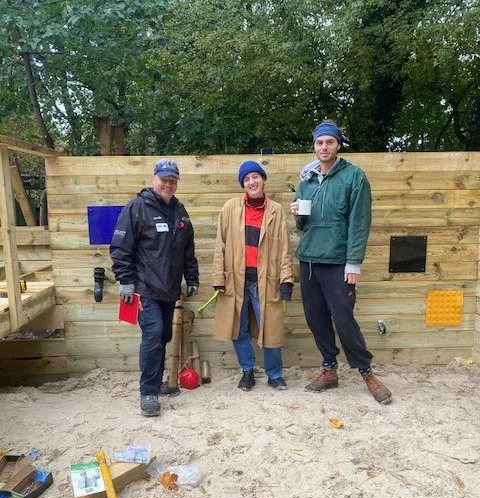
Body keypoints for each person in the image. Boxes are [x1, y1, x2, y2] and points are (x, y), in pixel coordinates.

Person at [290, 120, 391, 404]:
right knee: (316, 319)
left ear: (338, 145)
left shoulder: (354, 177)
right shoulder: (307, 180)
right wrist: (297, 214)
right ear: (314, 145)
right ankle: (329, 369)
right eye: (319, 142)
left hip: (337, 262)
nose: (324, 147)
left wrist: (353, 263)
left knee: (344, 319)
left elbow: (359, 223)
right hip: (309, 259)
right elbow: (302, 227)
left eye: (329, 142)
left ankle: (366, 372)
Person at [110, 159, 199, 416]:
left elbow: (187, 251)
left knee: (163, 337)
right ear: (154, 179)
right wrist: (125, 280)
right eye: (164, 179)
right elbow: (120, 248)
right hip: (144, 288)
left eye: (172, 180)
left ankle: (156, 383)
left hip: (169, 289)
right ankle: (148, 392)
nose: (167, 184)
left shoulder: (181, 212)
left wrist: (191, 278)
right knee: (153, 334)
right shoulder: (136, 208)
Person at [212, 161, 294, 391]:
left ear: (263, 179)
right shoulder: (229, 208)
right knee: (238, 328)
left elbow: (284, 248)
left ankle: (274, 374)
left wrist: (286, 279)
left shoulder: (276, 210)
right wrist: (219, 278)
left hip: (266, 282)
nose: (252, 182)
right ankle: (247, 371)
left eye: (255, 176)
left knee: (271, 327)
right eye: (246, 179)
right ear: (243, 184)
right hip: (235, 281)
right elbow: (220, 244)